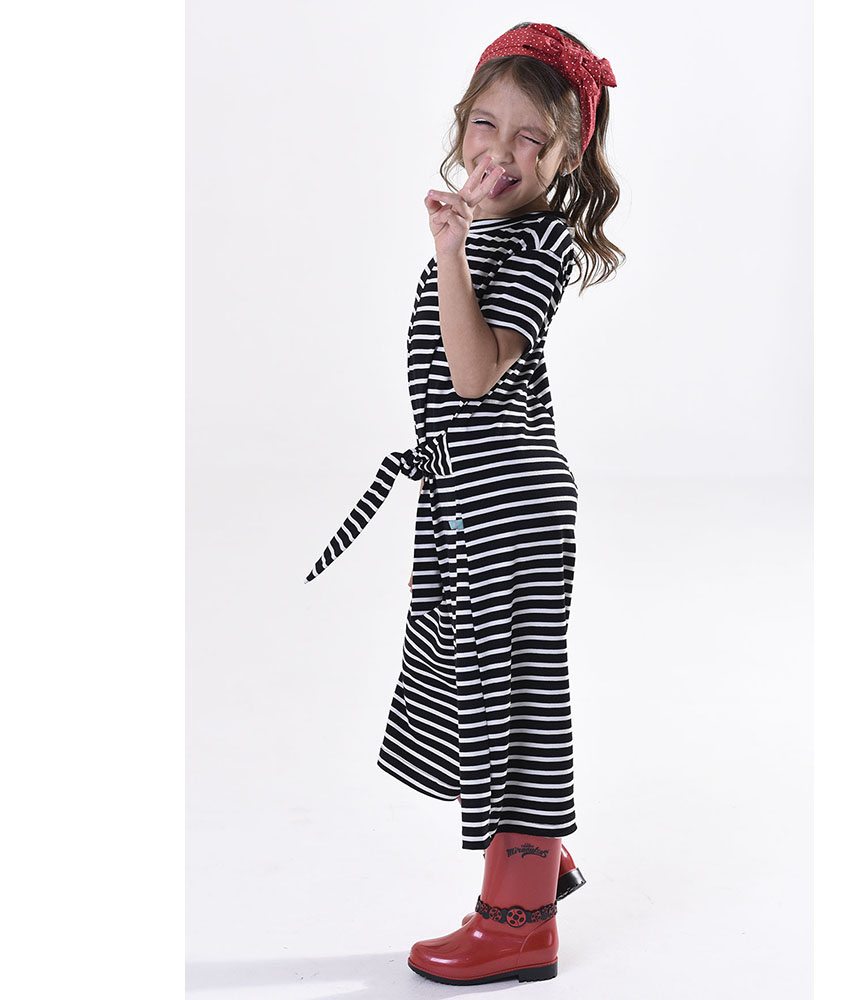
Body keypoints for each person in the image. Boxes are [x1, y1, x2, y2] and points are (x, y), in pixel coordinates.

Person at [304, 21, 623, 985]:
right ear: (461, 125)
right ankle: (540, 858)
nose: (503, 150)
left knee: (513, 702)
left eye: (533, 138)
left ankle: (520, 918)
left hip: (512, 503)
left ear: (567, 160)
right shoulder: (490, 236)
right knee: (473, 689)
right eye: (488, 123)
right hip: (468, 500)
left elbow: (476, 376)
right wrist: (459, 243)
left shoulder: (540, 242)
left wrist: (450, 249)